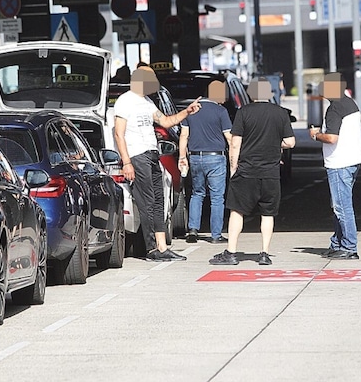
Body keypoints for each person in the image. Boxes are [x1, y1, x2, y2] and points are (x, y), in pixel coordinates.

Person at [114, 66, 201, 262]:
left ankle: (162, 247)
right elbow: (119, 133)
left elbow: (166, 122)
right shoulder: (125, 101)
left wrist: (187, 112)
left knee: (159, 201)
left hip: (153, 155)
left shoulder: (147, 102)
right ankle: (151, 248)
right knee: (147, 202)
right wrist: (126, 162)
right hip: (137, 155)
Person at [209, 77, 296, 266]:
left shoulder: (243, 112)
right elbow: (290, 142)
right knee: (267, 213)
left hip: (247, 171)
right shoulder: (280, 113)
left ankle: (231, 252)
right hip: (271, 173)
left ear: (251, 93)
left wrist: (233, 168)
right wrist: (274, 144)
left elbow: (235, 142)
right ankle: (264, 253)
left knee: (237, 211)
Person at [309, 72, 361, 260]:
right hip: (352, 159)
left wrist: (316, 135)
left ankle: (349, 246)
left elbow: (332, 138)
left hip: (339, 162)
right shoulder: (350, 103)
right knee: (339, 204)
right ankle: (337, 242)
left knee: (341, 206)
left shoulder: (334, 109)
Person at [178, 80, 232, 244]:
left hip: (195, 157)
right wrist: (235, 158)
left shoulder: (192, 110)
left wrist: (182, 157)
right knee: (217, 197)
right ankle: (216, 235)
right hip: (216, 158)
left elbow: (183, 136)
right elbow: (229, 137)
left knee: (197, 193)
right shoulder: (221, 111)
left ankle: (193, 230)